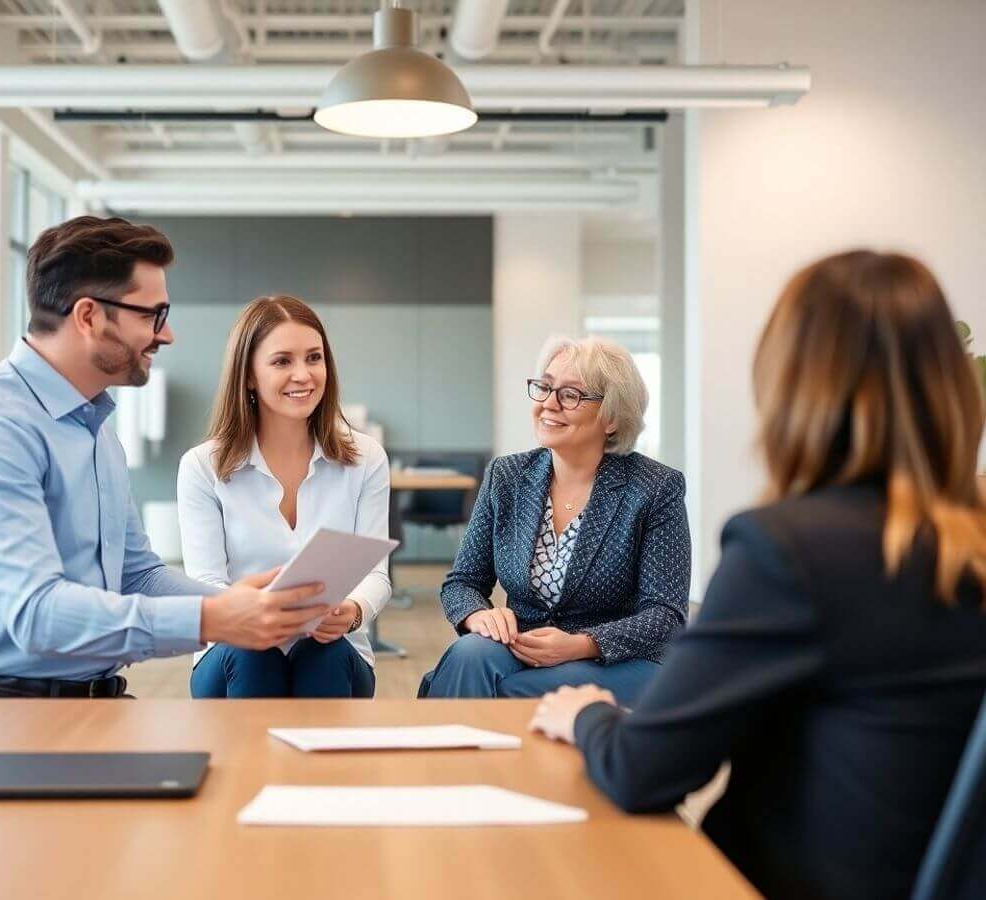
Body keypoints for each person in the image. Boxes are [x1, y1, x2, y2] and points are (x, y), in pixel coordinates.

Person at [530, 250, 986, 900]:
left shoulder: (790, 550)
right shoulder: (966, 543)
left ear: (793, 383)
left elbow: (644, 770)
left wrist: (587, 718)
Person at [0, 217, 324, 698]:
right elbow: (38, 614)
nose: (166, 335)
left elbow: (137, 574)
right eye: (153, 315)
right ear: (88, 317)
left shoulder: (94, 430)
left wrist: (241, 605)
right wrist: (214, 618)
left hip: (91, 700)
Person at [420, 336, 690, 706]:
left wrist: (580, 644)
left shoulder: (655, 488)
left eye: (570, 395)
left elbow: (666, 615)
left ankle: (461, 761)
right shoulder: (507, 476)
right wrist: (478, 616)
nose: (548, 403)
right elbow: (462, 582)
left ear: (611, 417)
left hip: (616, 658)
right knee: (470, 654)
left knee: (504, 692)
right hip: (523, 645)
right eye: (545, 387)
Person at [178, 295, 391, 698]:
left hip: (334, 648)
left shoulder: (365, 459)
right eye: (282, 361)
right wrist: (256, 617)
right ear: (249, 375)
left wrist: (352, 611)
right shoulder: (202, 466)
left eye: (314, 358)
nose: (304, 375)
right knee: (253, 652)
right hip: (234, 653)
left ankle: (322, 763)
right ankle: (249, 763)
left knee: (322, 654)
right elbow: (205, 583)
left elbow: (376, 574)